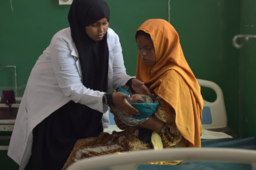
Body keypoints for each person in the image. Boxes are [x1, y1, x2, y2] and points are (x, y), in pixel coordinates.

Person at [8, 0, 149, 170]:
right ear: (81, 23)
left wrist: (131, 81)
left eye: (105, 22)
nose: (101, 30)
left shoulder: (111, 38)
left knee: (86, 159)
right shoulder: (62, 41)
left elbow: (117, 74)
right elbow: (72, 89)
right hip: (57, 111)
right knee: (55, 160)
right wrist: (111, 99)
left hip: (89, 110)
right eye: (94, 24)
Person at [62, 19, 204, 169]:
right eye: (140, 48)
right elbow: (142, 113)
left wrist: (120, 110)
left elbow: (157, 124)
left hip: (163, 145)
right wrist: (121, 118)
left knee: (83, 154)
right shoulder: (151, 71)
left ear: (164, 45)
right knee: (80, 144)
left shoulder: (172, 79)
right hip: (142, 135)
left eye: (149, 48)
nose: (143, 54)